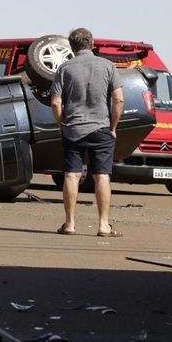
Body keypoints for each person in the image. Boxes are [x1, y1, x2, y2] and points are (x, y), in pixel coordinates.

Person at [49, 28, 125, 237]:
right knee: (102, 176)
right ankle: (103, 225)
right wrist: (113, 127)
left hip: (73, 128)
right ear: (91, 44)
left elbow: (55, 102)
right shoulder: (108, 66)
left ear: (72, 47)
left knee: (72, 175)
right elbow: (118, 99)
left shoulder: (64, 69)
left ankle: (70, 224)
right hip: (101, 128)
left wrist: (60, 123)